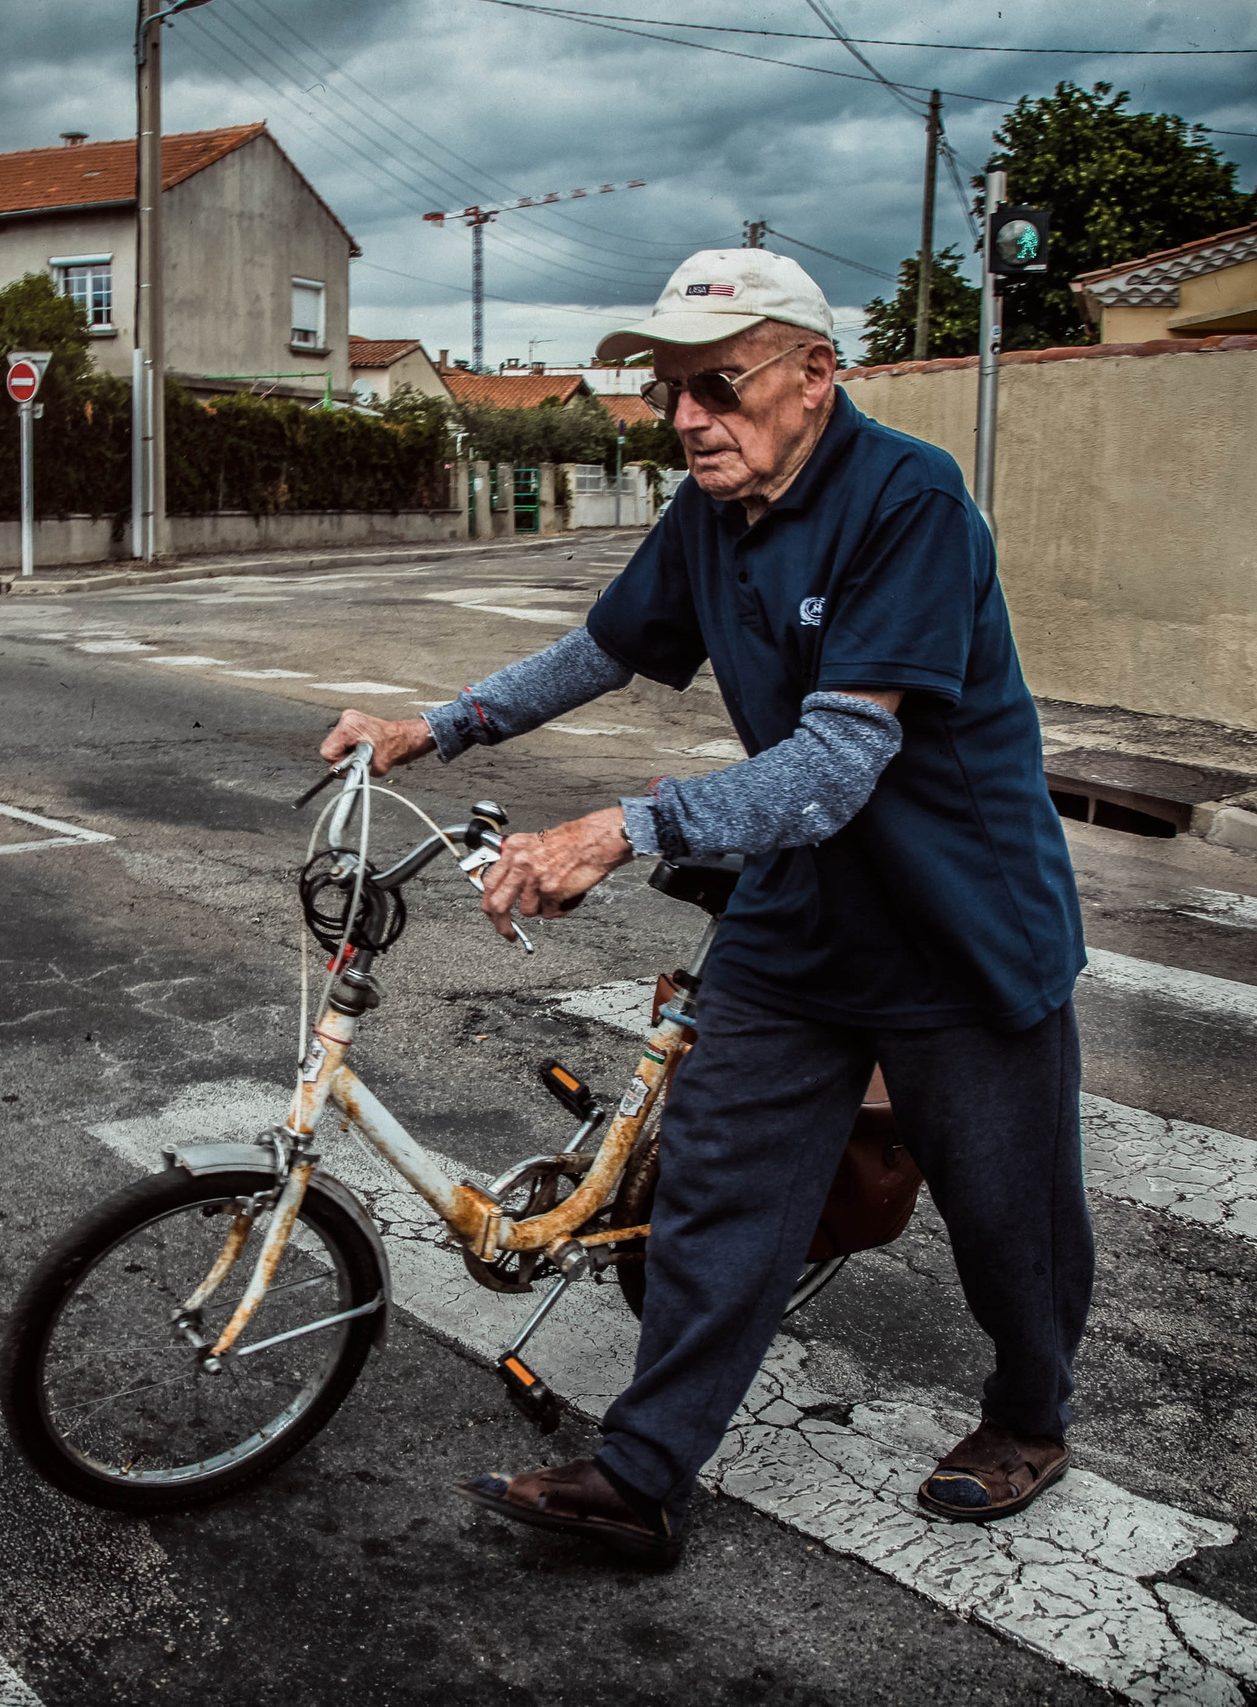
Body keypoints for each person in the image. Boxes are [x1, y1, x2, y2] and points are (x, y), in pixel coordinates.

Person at [319, 248, 1089, 1567]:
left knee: (1007, 1204)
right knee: (719, 1179)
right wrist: (431, 728)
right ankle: (643, 1473)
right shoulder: (711, 513)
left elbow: (846, 757)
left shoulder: (912, 501)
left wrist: (625, 826)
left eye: (717, 384)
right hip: (802, 915)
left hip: (959, 916)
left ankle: (1031, 1410)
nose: (687, 417)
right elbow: (605, 649)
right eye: (672, 388)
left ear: (814, 376)